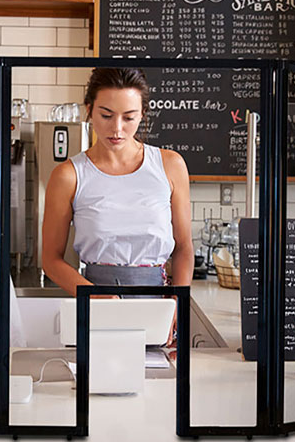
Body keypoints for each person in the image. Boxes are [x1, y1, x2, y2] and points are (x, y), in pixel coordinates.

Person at [42, 67, 194, 344]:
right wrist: (94, 296)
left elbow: (183, 247)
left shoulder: (170, 165)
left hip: (158, 306)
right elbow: (51, 260)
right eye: (106, 115)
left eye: (129, 117)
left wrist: (177, 303)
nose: (117, 128)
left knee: (159, 385)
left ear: (142, 114)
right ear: (89, 109)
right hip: (95, 303)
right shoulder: (68, 175)